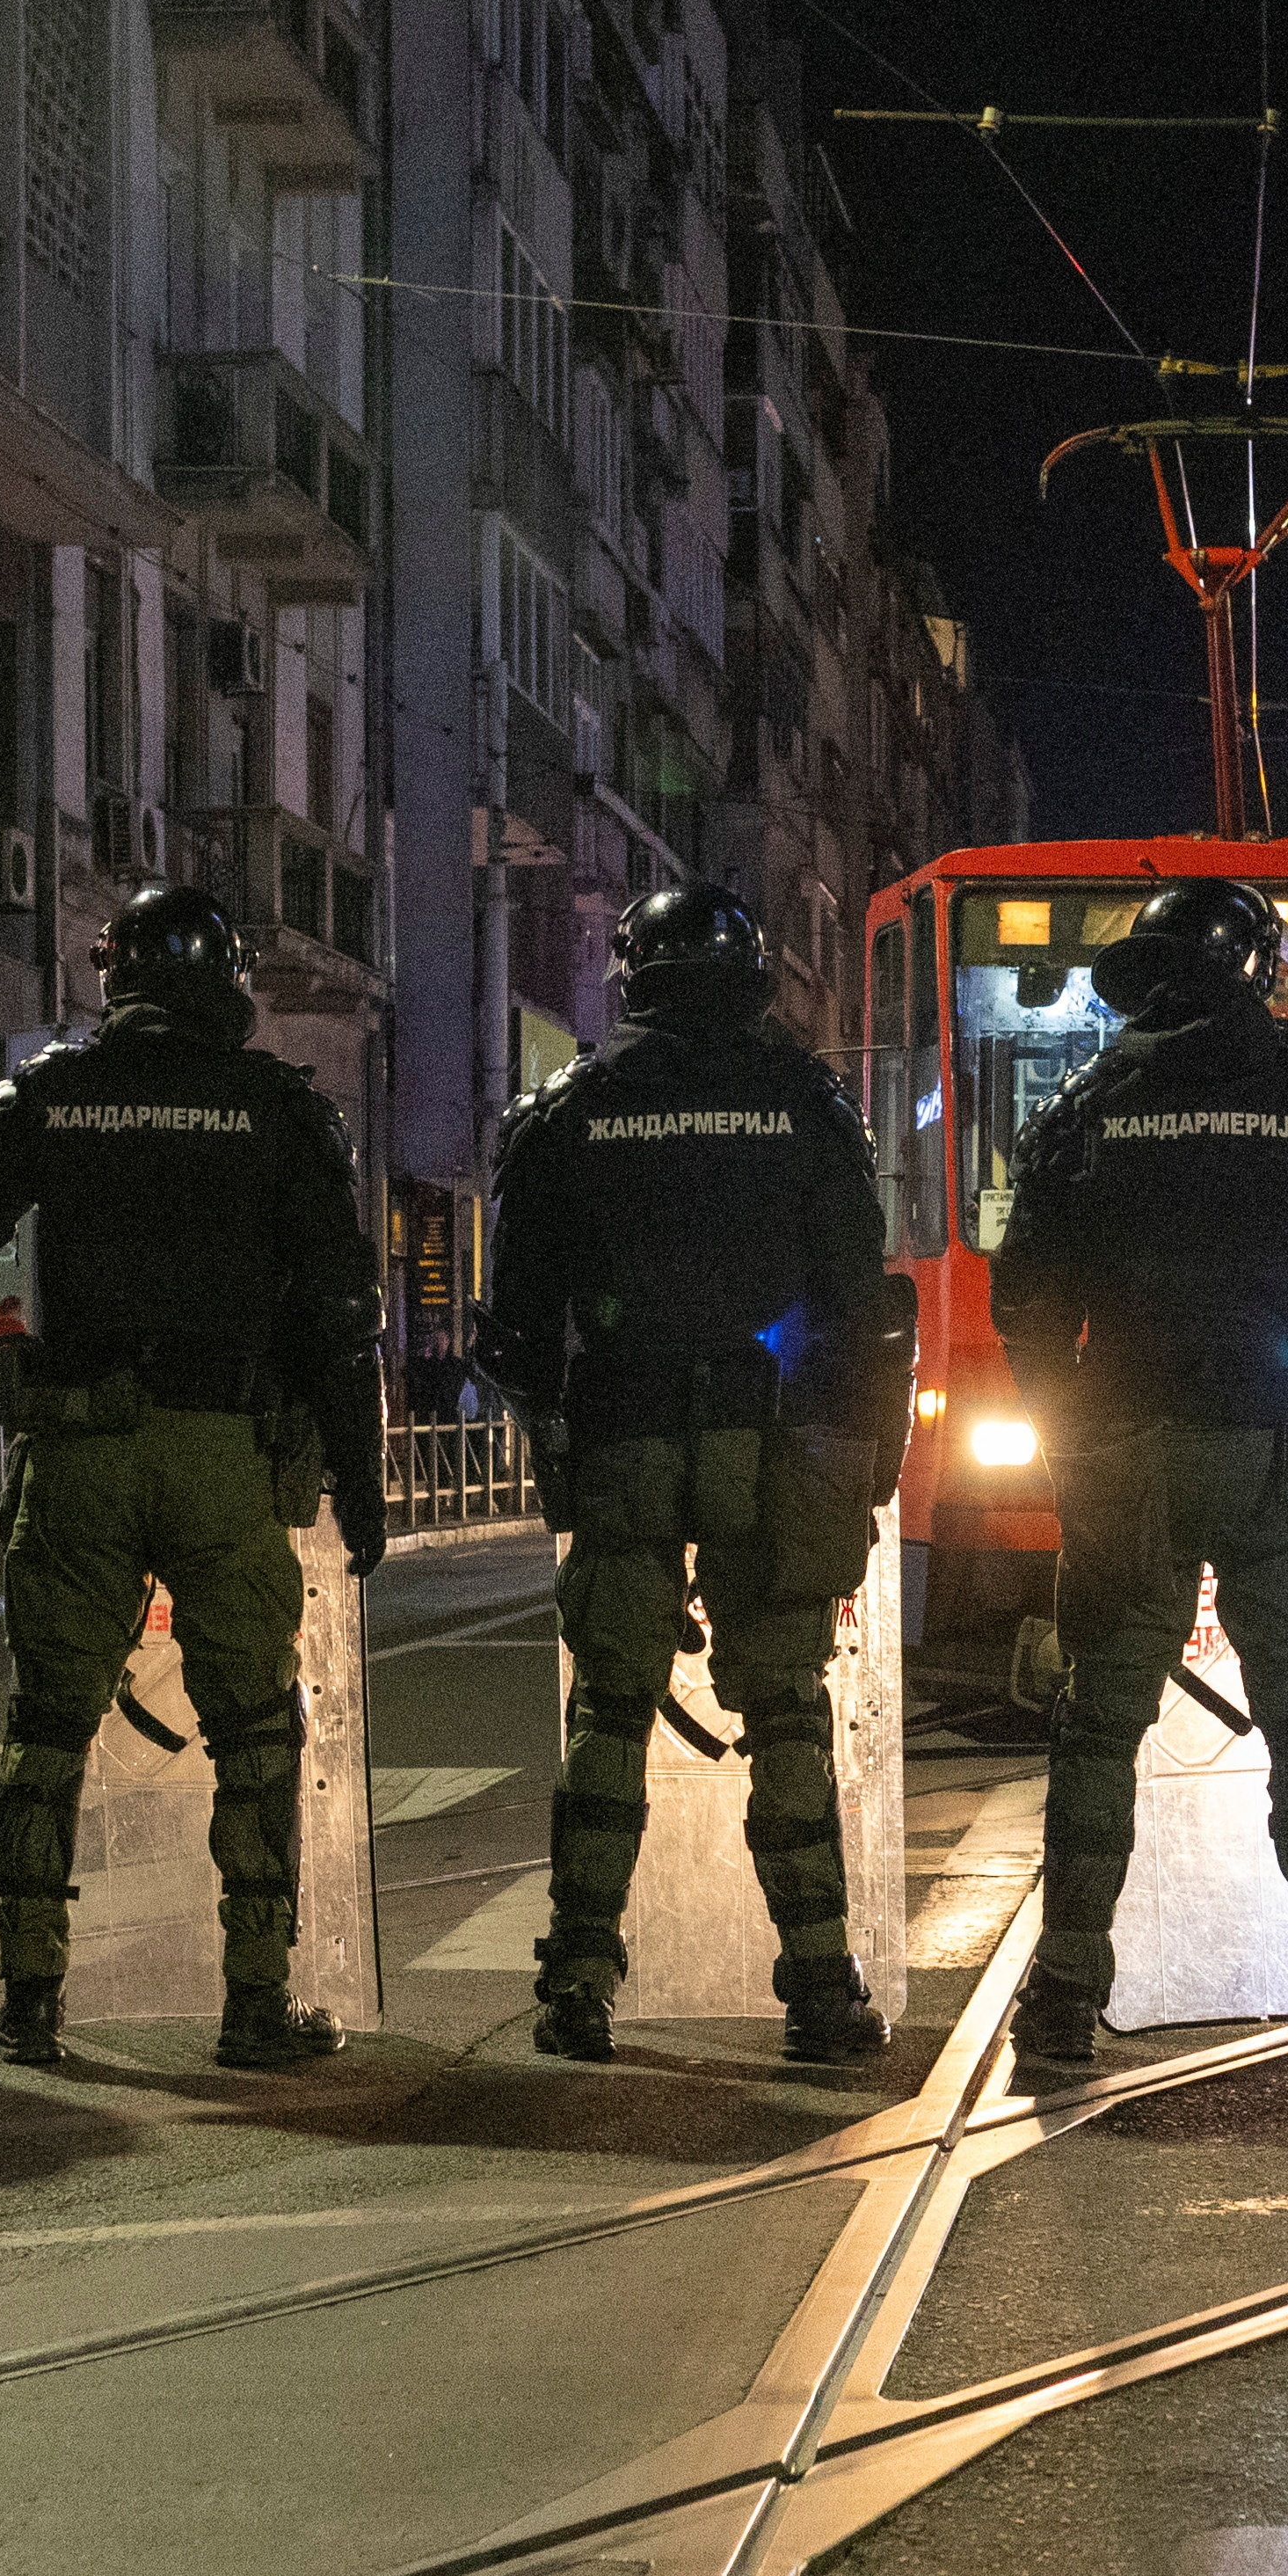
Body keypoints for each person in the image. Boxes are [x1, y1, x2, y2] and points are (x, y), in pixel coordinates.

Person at [0, 883, 385, 2072]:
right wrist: (356, 1482)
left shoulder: (52, 1094)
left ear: (118, 979)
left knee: (48, 1726)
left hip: (81, 1453)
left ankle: (29, 2002)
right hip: (222, 1454)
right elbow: (340, 1316)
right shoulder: (279, 1111)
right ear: (226, 985)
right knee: (253, 1728)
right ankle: (256, 2005)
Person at [991, 877, 1288, 2068]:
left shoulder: (1089, 1105)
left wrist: (1065, 1431)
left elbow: (1025, 1297)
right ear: (1252, 969)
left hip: (1132, 1451)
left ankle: (1062, 1996)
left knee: (1100, 1725)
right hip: (1282, 1451)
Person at [473, 880, 913, 2067]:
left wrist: (560, 1426)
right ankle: (822, 1988)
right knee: (783, 1709)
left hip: (626, 1443)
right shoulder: (806, 1106)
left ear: (635, 979)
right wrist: (864, 1462)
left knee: (611, 1707)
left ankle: (578, 1980)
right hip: (774, 1451)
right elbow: (866, 1306)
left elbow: (513, 1327)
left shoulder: (569, 1109)